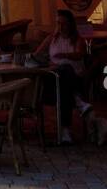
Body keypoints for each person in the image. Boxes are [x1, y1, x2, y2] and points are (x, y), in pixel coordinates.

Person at [35, 9, 91, 143]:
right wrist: (44, 60)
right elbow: (36, 55)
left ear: (71, 25)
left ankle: (65, 129)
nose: (60, 27)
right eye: (58, 23)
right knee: (60, 81)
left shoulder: (78, 40)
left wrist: (64, 56)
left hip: (75, 80)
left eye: (64, 24)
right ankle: (77, 103)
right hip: (55, 81)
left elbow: (79, 55)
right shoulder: (51, 39)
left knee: (65, 70)